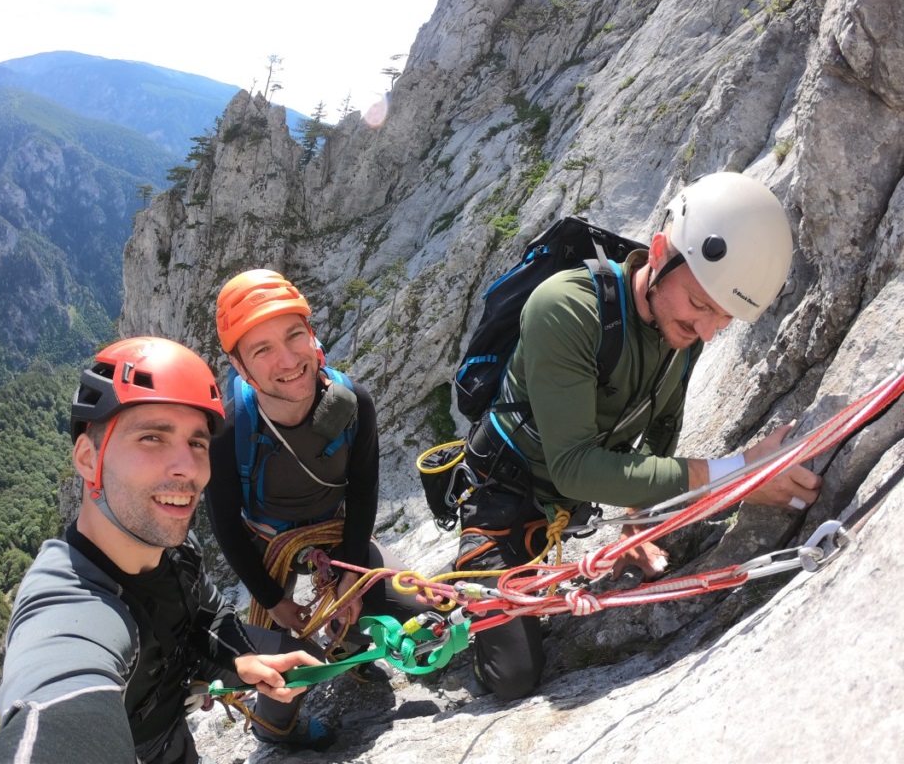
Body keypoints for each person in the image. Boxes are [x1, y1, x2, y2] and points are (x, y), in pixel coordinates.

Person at [456, 172, 824, 701]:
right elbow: (575, 468)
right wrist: (741, 475)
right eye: (700, 304)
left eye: (725, 318)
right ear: (659, 254)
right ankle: (462, 590)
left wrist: (638, 523)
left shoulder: (684, 334)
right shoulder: (566, 308)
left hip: (559, 509)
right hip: (501, 499)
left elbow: (661, 429)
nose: (706, 331)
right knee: (512, 675)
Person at [0, 337, 336, 764]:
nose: (187, 467)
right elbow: (57, 709)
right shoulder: (68, 605)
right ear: (89, 459)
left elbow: (205, 611)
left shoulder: (175, 546)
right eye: (152, 438)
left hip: (174, 737)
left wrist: (239, 660)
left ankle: (278, 729)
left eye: (198, 443)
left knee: (305, 661)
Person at [206, 269, 425, 678]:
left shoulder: (353, 403)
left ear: (311, 334)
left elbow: (362, 493)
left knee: (417, 612)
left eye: (294, 335)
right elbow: (226, 526)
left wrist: (345, 578)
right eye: (262, 350)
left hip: (337, 531)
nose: (288, 361)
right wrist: (272, 600)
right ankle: (281, 725)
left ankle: (349, 646)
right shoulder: (228, 429)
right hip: (266, 549)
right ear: (240, 365)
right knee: (285, 679)